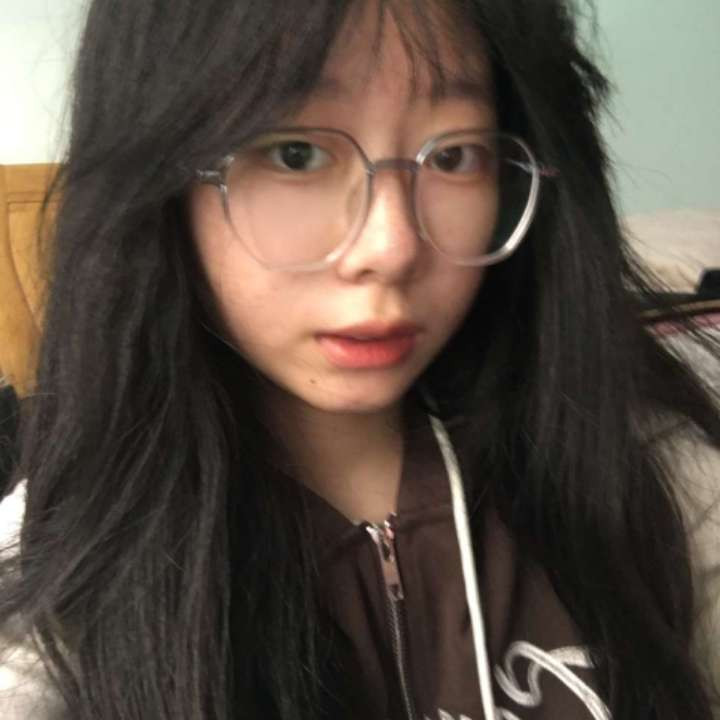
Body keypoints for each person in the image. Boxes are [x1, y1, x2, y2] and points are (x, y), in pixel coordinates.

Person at [1, 0, 719, 718]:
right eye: (296, 154)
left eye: (454, 156)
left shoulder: (653, 474)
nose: (393, 246)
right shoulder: (60, 563)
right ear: (159, 186)